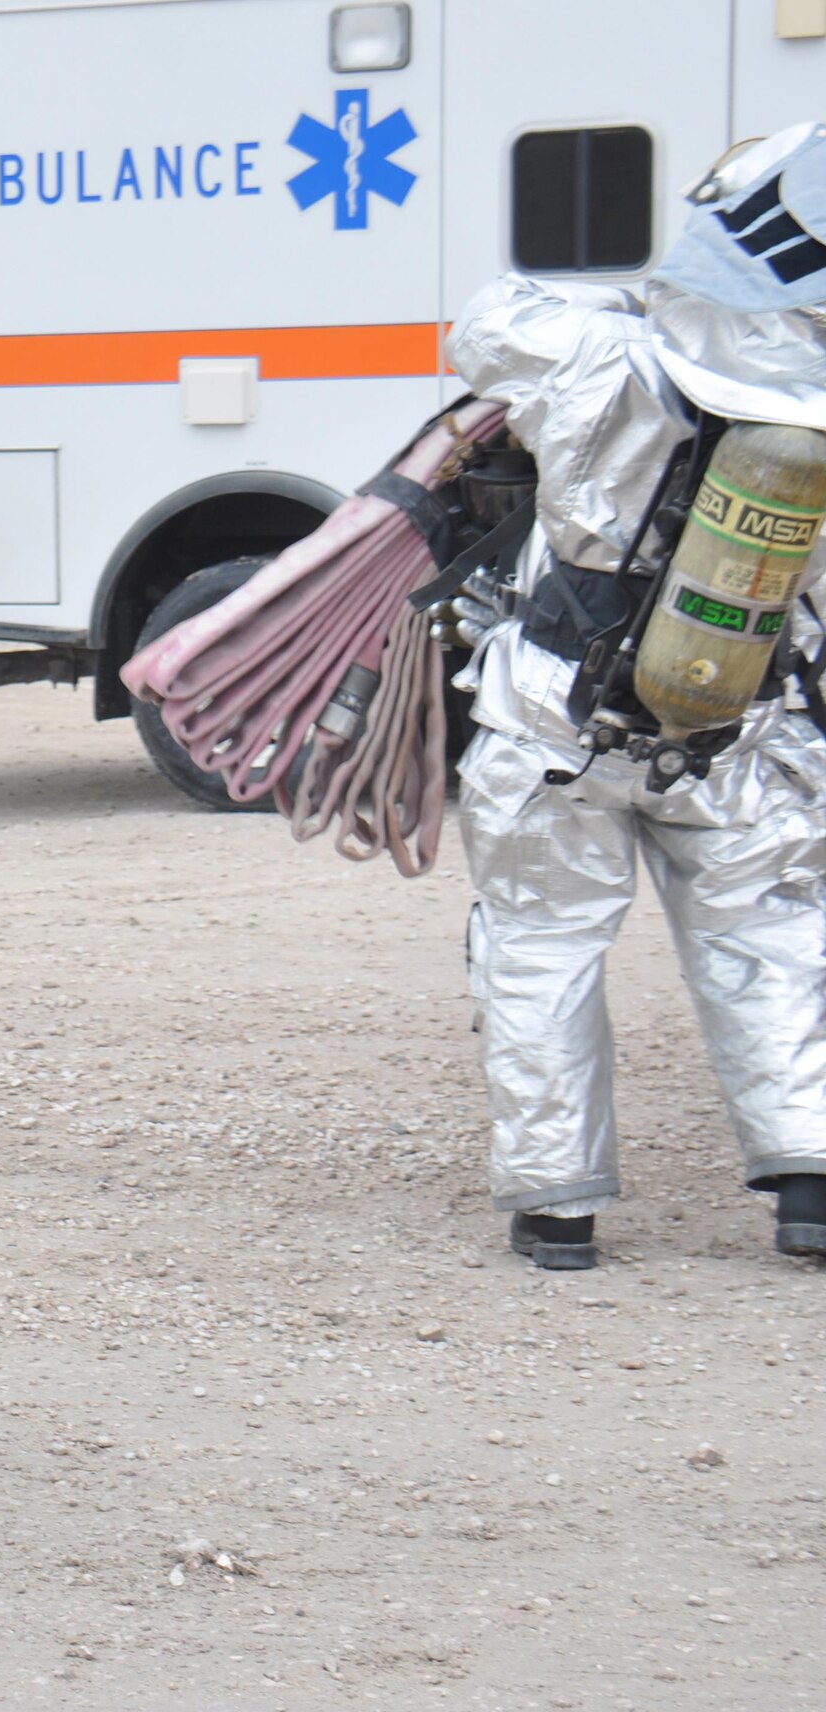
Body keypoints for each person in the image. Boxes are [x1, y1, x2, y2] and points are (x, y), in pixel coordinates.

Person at [445, 124, 826, 1271]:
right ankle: (808, 1183)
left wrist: (634, 301)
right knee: (772, 939)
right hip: (742, 731)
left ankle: (555, 1205)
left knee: (538, 945)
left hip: (554, 721)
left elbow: (478, 323)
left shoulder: (591, 359)